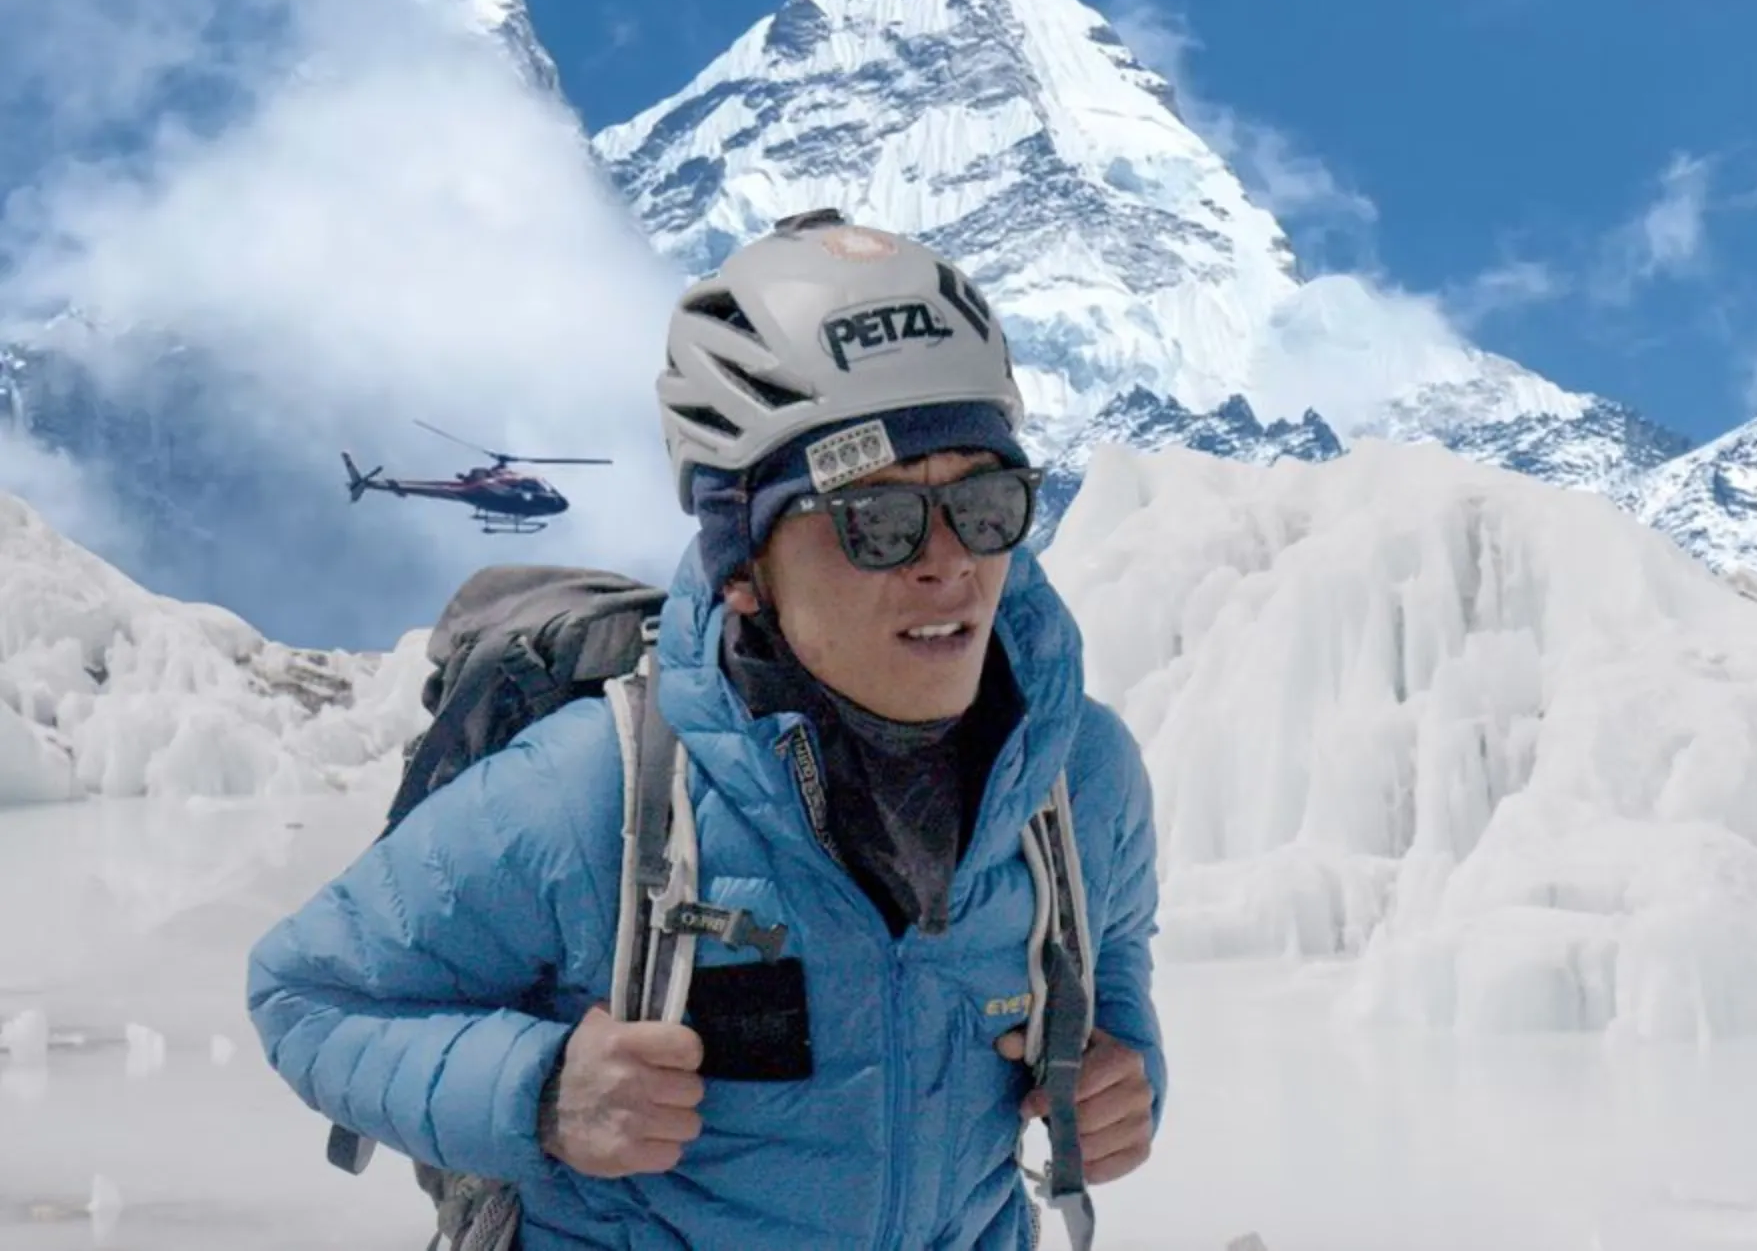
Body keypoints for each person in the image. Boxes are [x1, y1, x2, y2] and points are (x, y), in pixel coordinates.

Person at [246, 210, 1166, 1249]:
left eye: (989, 502)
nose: (948, 561)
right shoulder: (597, 793)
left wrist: (1122, 1064)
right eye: (878, 518)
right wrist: (541, 1092)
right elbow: (309, 994)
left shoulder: (1075, 781)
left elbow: (1113, 953)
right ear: (745, 568)